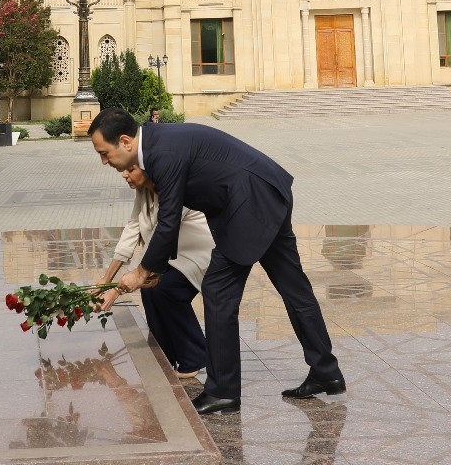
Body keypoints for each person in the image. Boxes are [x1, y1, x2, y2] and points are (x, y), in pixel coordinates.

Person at [89, 109, 345, 416]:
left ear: (126, 142)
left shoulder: (162, 153)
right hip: (265, 192)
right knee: (295, 289)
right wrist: (152, 271)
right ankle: (326, 371)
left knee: (218, 291)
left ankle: (223, 391)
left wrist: (142, 271)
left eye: (104, 153)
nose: (104, 162)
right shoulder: (158, 145)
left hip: (250, 203)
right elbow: (165, 222)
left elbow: (168, 221)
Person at [101, 162, 212, 379]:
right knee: (150, 290)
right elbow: (133, 228)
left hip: (200, 256)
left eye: (130, 170)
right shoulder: (144, 191)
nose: (124, 175)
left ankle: (193, 357)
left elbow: (158, 241)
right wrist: (105, 279)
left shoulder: (175, 191)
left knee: (167, 290)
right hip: (173, 256)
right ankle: (166, 355)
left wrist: (117, 290)